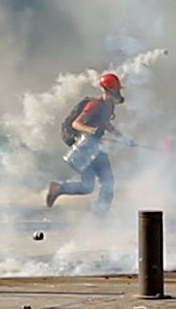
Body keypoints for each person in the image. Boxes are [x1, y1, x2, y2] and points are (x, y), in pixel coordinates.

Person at [46, 72, 128, 214]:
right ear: (106, 90)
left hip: (94, 148)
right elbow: (76, 123)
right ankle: (100, 214)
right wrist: (90, 130)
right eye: (115, 90)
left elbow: (107, 124)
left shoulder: (109, 107)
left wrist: (123, 139)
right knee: (104, 183)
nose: (117, 93)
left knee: (89, 186)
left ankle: (59, 188)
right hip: (87, 148)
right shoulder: (94, 105)